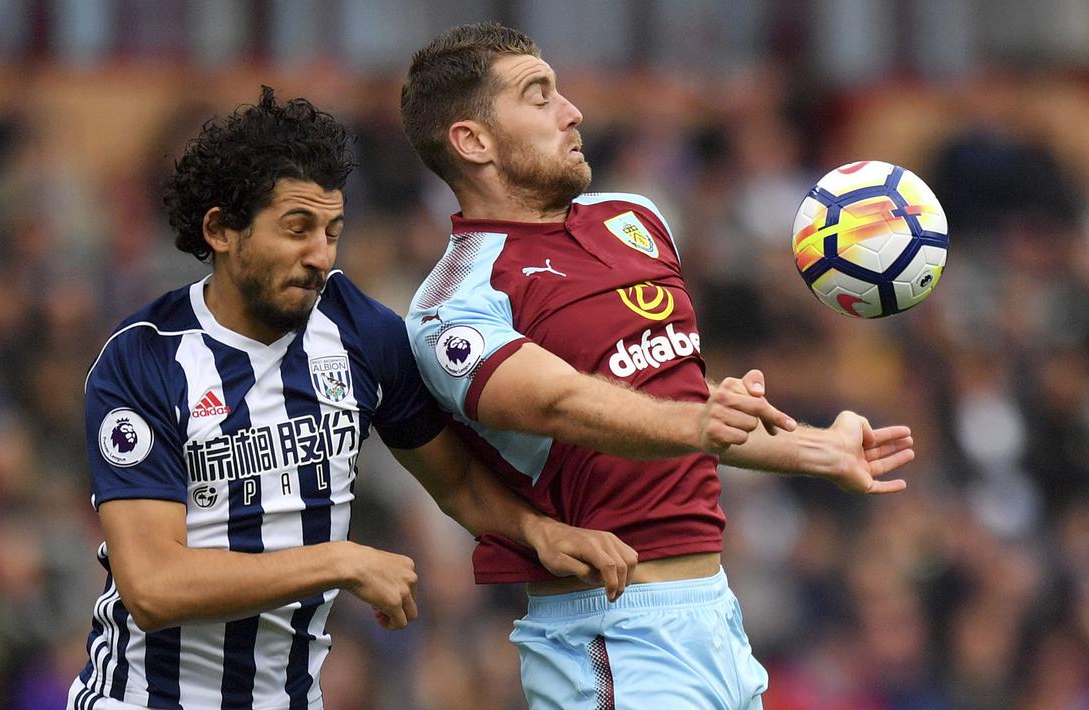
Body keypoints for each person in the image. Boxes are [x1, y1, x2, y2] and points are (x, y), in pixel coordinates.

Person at [67, 87, 638, 710]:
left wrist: (539, 531)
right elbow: (153, 587)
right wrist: (339, 561)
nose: (319, 255)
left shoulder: (360, 331)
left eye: (332, 231)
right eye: (297, 229)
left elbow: (458, 484)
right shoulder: (145, 360)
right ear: (221, 229)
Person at [400, 23, 916, 709]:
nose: (571, 112)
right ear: (473, 142)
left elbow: (672, 398)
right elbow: (560, 403)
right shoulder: (455, 301)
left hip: (718, 618)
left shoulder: (633, 218)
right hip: (612, 633)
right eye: (538, 97)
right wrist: (700, 421)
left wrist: (815, 449)